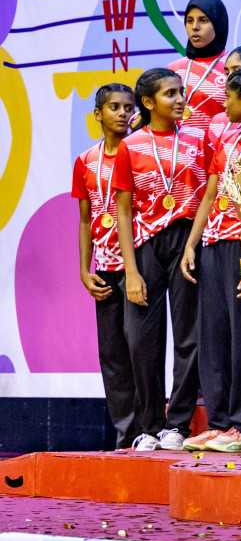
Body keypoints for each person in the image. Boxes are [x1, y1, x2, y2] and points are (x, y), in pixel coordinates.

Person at [181, 64, 241, 453]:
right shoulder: (228, 141)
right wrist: (192, 243)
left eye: (228, 95)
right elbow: (209, 195)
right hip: (212, 243)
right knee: (214, 334)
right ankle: (219, 420)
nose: (222, 102)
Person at [110, 69, 210, 451]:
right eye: (170, 94)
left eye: (181, 91)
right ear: (149, 103)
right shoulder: (130, 146)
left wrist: (193, 244)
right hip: (145, 244)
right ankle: (150, 425)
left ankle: (178, 425)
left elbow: (209, 194)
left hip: (187, 240)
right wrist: (130, 270)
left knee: (189, 336)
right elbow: (122, 210)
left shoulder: (199, 139)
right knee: (141, 341)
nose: (180, 98)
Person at [73, 83, 138, 449]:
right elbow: (85, 220)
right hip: (104, 267)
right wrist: (84, 270)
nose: (122, 113)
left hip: (136, 265)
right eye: (113, 107)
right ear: (98, 114)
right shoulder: (86, 161)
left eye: (128, 107)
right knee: (112, 352)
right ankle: (125, 433)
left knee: (139, 349)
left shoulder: (141, 153)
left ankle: (147, 428)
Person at [170, 0, 230, 131]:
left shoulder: (233, 66)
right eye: (190, 20)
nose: (195, 27)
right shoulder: (174, 68)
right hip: (179, 148)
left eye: (203, 20)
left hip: (219, 148)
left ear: (218, 24)